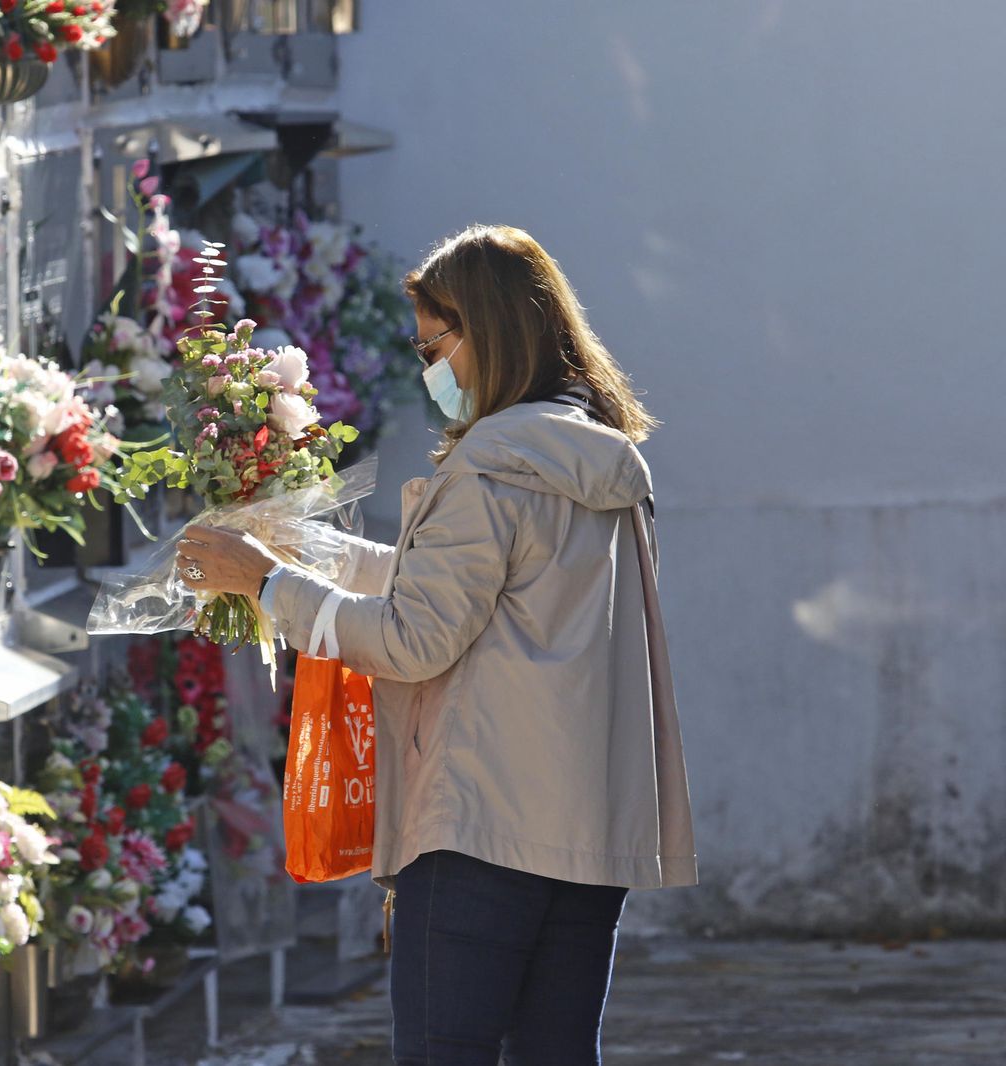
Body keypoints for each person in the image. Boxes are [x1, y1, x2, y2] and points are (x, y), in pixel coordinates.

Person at [176, 224, 697, 1066]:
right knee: (557, 1052)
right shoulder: (594, 460)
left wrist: (269, 587)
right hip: (583, 818)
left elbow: (416, 639)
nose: (429, 371)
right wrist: (318, 554)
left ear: (485, 334)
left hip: (478, 820)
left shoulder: (490, 466)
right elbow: (478, 596)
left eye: (433, 346)